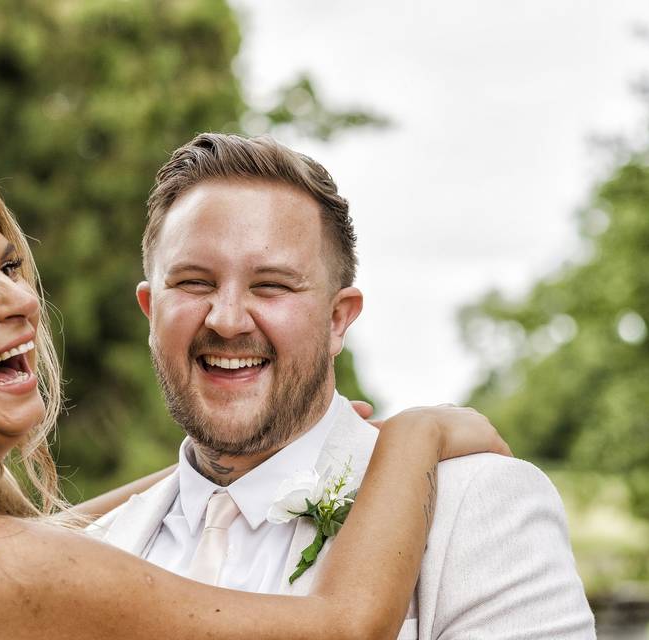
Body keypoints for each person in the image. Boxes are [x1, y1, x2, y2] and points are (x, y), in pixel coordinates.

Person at [0, 161, 509, 640]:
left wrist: (200, 480)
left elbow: (44, 544)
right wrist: (418, 432)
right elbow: (344, 626)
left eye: (8, 266)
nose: (17, 301)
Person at [90, 133, 597, 639]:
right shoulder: (86, 550)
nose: (226, 320)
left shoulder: (477, 505)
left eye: (271, 285)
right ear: (152, 311)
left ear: (337, 319)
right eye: (194, 283)